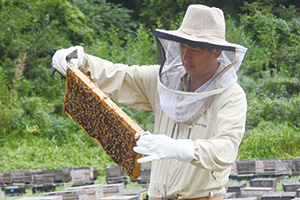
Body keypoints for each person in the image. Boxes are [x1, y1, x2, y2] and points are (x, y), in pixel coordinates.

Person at [52, 4, 248, 200]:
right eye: (181, 46)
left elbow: (226, 149)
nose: (185, 56)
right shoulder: (164, 80)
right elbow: (120, 76)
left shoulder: (231, 96)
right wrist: (82, 61)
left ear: (216, 52)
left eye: (194, 50)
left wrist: (179, 148)